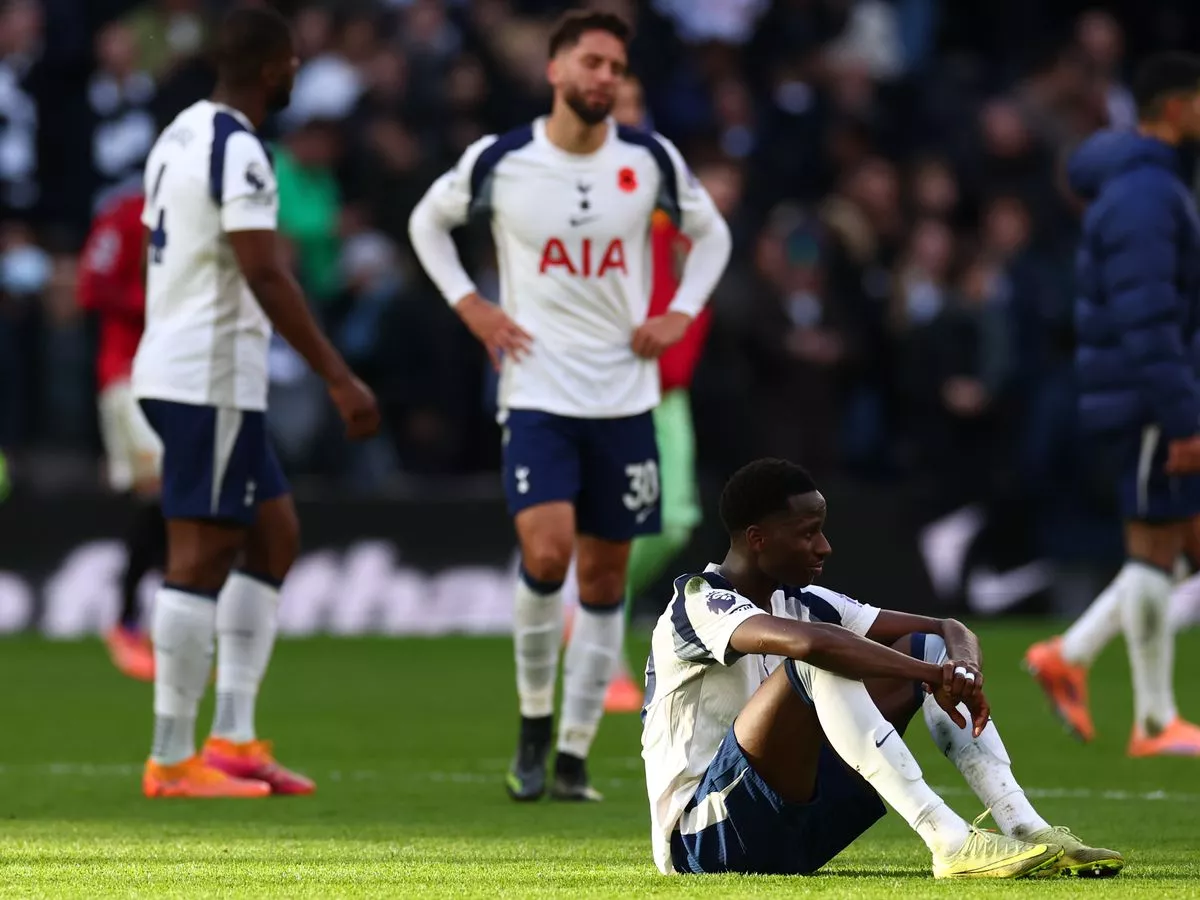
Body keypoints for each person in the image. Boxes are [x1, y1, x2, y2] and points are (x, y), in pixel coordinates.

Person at [408, 10, 732, 802]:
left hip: (624, 400)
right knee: (547, 554)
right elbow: (428, 220)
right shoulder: (504, 159)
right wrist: (473, 306)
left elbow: (712, 235)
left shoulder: (648, 159)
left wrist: (680, 311)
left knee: (606, 573)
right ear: (555, 71)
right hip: (538, 394)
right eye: (590, 62)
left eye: (614, 67)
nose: (603, 78)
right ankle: (532, 724)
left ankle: (576, 755)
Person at [642, 458, 1123, 878]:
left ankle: (1026, 828)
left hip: (797, 829)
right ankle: (949, 841)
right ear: (757, 538)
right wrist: (932, 678)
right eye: (808, 532)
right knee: (820, 660)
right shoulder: (697, 602)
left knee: (923, 645)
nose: (825, 546)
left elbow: (946, 627)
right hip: (704, 839)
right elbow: (814, 645)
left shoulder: (803, 600)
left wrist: (961, 670)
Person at [135, 7, 379, 798]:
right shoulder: (238, 148)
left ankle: (234, 738)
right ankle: (172, 759)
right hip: (204, 373)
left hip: (195, 365)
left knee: (273, 534)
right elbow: (263, 271)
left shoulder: (180, 132)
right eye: (295, 62)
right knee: (202, 552)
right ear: (278, 68)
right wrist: (339, 375)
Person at [1024, 53, 1200, 755]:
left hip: (1150, 389)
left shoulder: (1146, 188)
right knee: (1156, 546)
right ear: (1174, 107)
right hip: (1150, 395)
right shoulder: (1147, 196)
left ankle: (1072, 655)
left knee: (1172, 544)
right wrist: (1183, 415)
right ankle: (1152, 720)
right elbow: (1148, 316)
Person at [604, 74, 713, 713]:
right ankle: (602, 645)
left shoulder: (668, 190)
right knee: (623, 518)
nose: (631, 118)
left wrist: (678, 352)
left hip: (666, 383)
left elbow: (693, 277)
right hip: (614, 383)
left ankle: (593, 611)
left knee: (673, 523)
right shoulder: (581, 195)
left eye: (637, 105)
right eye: (619, 109)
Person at [78, 184, 163, 683]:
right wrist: (157, 303)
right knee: (163, 490)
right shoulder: (126, 213)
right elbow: (92, 286)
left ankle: (147, 620)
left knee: (175, 499)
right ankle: (127, 620)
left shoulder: (207, 211)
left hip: (183, 374)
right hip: (129, 374)